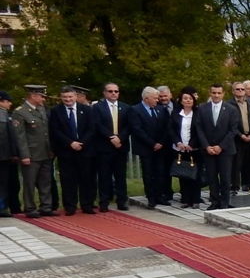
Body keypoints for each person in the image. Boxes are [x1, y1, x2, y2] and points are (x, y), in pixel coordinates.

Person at [49, 85, 96, 215]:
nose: (68, 99)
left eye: (70, 96)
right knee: (68, 180)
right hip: (66, 151)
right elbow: (55, 130)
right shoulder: (55, 111)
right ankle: (70, 206)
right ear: (61, 98)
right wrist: (70, 143)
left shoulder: (86, 110)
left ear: (75, 96)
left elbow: (91, 129)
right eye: (65, 97)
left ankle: (87, 205)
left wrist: (82, 143)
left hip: (84, 150)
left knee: (86, 178)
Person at [11, 85, 54, 217]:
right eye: (41, 96)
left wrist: (51, 149)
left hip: (45, 152)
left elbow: (46, 132)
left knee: (45, 181)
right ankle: (30, 208)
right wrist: (24, 155)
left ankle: (46, 206)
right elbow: (20, 136)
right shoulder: (20, 112)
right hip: (31, 154)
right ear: (33, 96)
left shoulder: (41, 109)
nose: (43, 99)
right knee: (29, 182)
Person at [196, 83, 240, 210]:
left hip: (225, 149)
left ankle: (225, 202)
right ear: (210, 93)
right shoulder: (202, 108)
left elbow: (233, 130)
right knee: (212, 177)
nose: (216, 95)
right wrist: (206, 146)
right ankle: (214, 201)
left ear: (223, 94)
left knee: (225, 178)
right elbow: (199, 128)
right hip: (208, 149)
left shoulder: (231, 109)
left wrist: (221, 146)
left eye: (219, 93)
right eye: (214, 93)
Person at [128, 87, 170, 209]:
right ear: (146, 98)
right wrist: (152, 144)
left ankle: (160, 196)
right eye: (155, 98)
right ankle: (151, 197)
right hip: (145, 148)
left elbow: (167, 127)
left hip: (160, 147)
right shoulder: (135, 110)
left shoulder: (161, 109)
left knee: (160, 172)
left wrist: (161, 142)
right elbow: (137, 129)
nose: (157, 100)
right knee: (148, 173)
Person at [92, 82, 130, 212]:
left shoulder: (125, 107)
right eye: (110, 91)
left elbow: (129, 126)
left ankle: (122, 201)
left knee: (121, 176)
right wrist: (111, 137)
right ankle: (104, 202)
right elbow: (97, 125)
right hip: (104, 146)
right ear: (104, 93)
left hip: (121, 146)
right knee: (104, 176)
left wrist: (120, 138)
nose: (113, 93)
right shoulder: (98, 107)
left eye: (116, 91)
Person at [170, 87, 203, 208]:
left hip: (194, 149)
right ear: (181, 100)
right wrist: (178, 142)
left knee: (195, 175)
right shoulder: (176, 113)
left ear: (194, 100)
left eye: (190, 98)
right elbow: (172, 130)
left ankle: (196, 200)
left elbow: (199, 131)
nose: (188, 100)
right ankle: (185, 199)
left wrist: (191, 144)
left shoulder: (198, 113)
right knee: (183, 174)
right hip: (180, 149)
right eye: (185, 98)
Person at [231, 81, 250, 193]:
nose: (241, 91)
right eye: (238, 89)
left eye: (242, 89)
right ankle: (235, 186)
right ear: (233, 91)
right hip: (237, 138)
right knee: (236, 163)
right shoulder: (229, 105)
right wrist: (240, 135)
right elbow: (231, 124)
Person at [0, 90, 15, 217]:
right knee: (3, 183)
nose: (10, 104)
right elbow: (6, 137)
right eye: (8, 101)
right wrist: (13, 153)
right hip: (3, 155)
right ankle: (2, 208)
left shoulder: (6, 114)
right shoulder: (3, 116)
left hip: (4, 155)